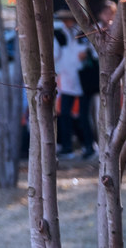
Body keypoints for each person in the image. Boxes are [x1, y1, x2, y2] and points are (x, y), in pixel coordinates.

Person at [54, 9, 95, 159]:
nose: (66, 22)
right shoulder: (59, 35)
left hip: (83, 80)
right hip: (66, 79)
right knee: (65, 113)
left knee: (84, 115)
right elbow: (56, 54)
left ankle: (89, 146)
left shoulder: (84, 33)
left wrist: (87, 53)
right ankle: (67, 147)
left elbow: (92, 51)